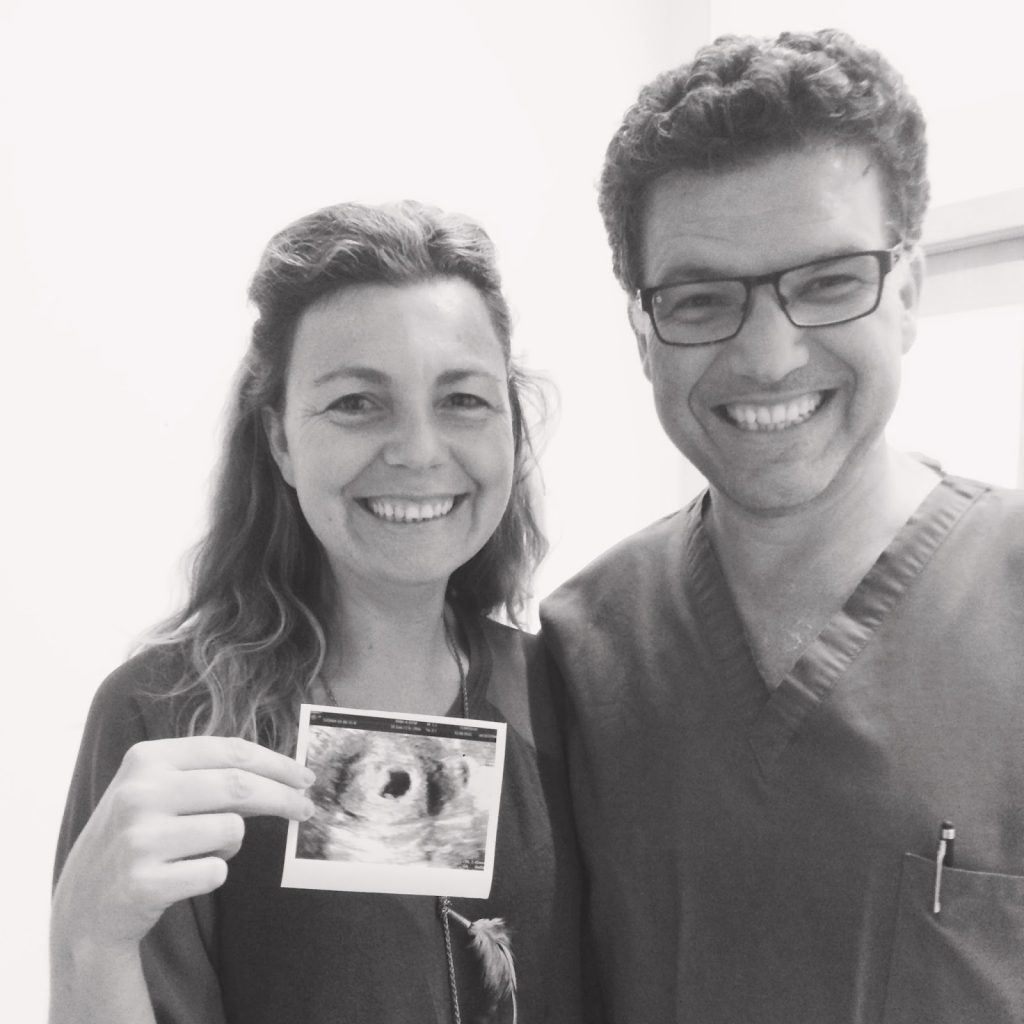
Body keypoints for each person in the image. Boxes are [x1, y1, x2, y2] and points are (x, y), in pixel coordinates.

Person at [541, 28, 1024, 1024]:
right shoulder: (580, 650)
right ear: (644, 335)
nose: (767, 356)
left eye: (828, 281)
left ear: (907, 293)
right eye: (699, 299)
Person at [51, 200, 588, 1024]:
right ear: (279, 441)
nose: (418, 450)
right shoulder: (167, 723)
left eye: (463, 399)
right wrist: (88, 942)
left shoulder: (569, 696)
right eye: (357, 403)